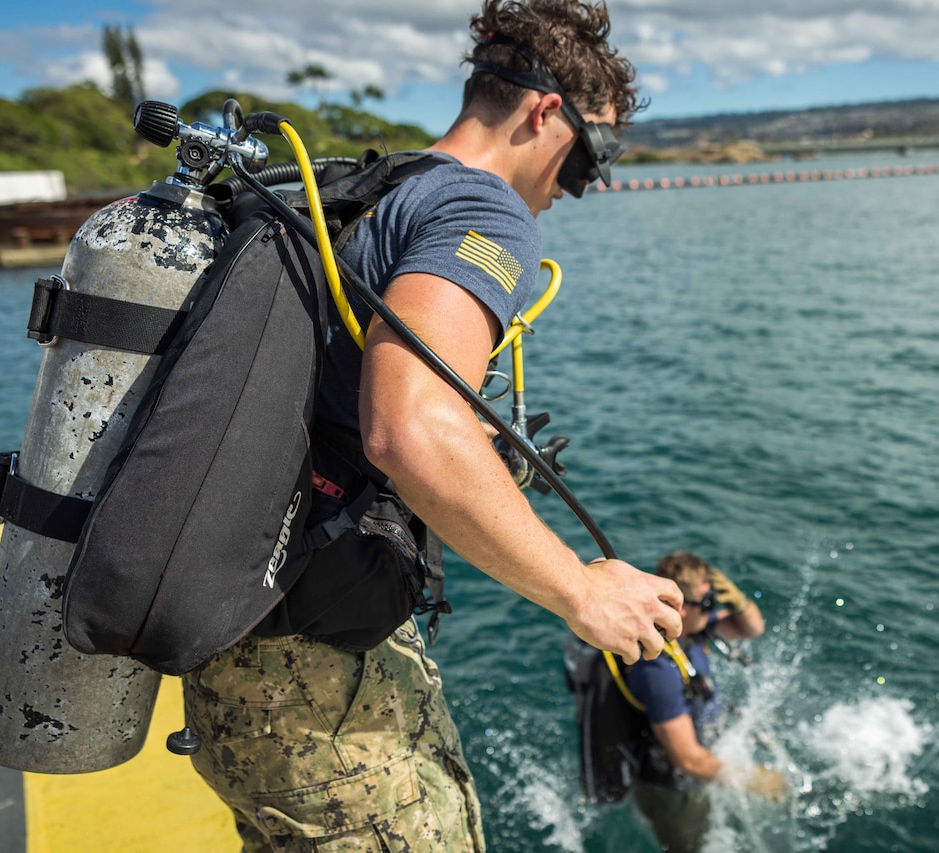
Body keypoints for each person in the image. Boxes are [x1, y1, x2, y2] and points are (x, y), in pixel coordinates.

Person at [181, 3, 683, 851]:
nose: (579, 186)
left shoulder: (375, 189)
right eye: (591, 156)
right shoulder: (484, 210)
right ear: (544, 112)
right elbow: (408, 430)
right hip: (319, 692)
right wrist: (582, 590)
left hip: (234, 651)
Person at [624, 551, 780, 853]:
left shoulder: (693, 630)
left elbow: (753, 629)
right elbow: (688, 760)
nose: (714, 609)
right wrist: (754, 782)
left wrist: (739, 602)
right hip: (674, 790)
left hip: (702, 761)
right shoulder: (657, 669)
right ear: (680, 609)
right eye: (707, 603)